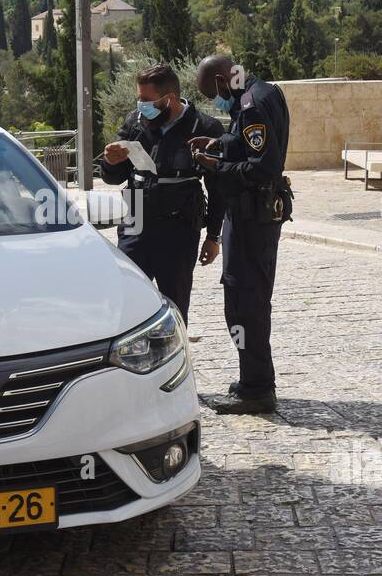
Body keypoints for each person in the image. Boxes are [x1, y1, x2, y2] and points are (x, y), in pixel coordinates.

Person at [189, 54, 292, 414]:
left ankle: (257, 389)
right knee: (248, 301)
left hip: (251, 217)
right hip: (253, 216)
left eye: (211, 92)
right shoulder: (264, 92)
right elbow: (253, 147)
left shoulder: (249, 105)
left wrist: (216, 166)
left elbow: (262, 167)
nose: (213, 100)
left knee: (244, 304)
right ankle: (254, 378)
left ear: (222, 79)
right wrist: (221, 144)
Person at [98, 63, 225, 322]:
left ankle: (171, 359)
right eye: (138, 98)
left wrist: (213, 236)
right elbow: (114, 177)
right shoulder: (134, 122)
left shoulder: (204, 127)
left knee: (175, 306)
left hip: (177, 231)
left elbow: (218, 187)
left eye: (147, 100)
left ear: (171, 99)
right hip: (135, 224)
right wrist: (110, 162)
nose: (140, 105)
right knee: (129, 304)